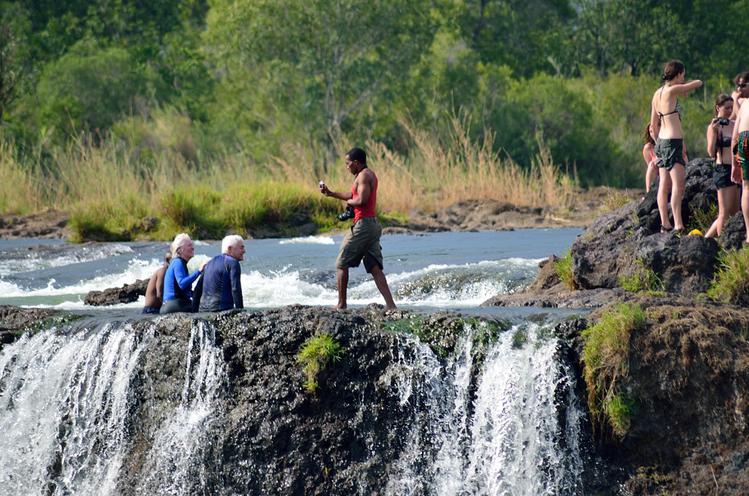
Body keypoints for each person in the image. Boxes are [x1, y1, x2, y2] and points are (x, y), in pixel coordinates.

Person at [319, 147, 396, 310]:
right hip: (372, 224)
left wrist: (349, 204)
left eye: (348, 164)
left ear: (355, 162)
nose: (346, 167)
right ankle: (391, 306)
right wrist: (331, 193)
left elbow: (361, 200)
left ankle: (341, 304)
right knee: (374, 267)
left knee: (341, 263)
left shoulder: (364, 176)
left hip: (364, 225)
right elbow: (353, 195)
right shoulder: (364, 175)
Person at [650, 59, 702, 233]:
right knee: (678, 186)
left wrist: (658, 144)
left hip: (662, 142)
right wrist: (689, 83)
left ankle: (665, 224)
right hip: (673, 142)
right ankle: (678, 224)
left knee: (664, 184)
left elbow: (653, 125)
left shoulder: (657, 93)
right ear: (678, 74)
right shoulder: (672, 90)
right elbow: (696, 84)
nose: (684, 78)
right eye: (683, 75)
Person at [705, 94, 739, 239]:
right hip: (723, 170)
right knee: (724, 213)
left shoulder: (733, 124)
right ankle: (722, 243)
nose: (730, 110)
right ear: (718, 108)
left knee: (735, 212)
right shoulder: (714, 127)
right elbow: (711, 152)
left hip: (736, 170)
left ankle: (705, 238)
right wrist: (713, 132)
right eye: (727, 108)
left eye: (732, 108)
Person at [194, 235, 246, 312]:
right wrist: (241, 312)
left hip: (203, 311)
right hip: (221, 310)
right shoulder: (233, 263)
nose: (244, 251)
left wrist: (194, 312)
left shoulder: (209, 263)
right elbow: (235, 289)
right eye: (241, 247)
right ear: (230, 249)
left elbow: (197, 290)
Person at [161, 233, 204, 314]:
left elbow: (184, 291)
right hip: (173, 305)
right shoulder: (178, 262)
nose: (193, 248)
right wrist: (199, 271)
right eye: (189, 245)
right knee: (204, 309)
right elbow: (182, 284)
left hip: (170, 305)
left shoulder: (180, 262)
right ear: (180, 250)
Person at [732, 88, 749, 244]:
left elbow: (735, 135)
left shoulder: (744, 105)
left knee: (747, 187)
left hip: (744, 139)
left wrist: (733, 164)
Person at [642, 124, 658, 194]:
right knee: (651, 165)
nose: (653, 133)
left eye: (654, 130)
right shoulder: (648, 148)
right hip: (660, 176)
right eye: (650, 131)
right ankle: (649, 193)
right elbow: (651, 169)